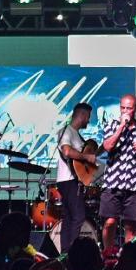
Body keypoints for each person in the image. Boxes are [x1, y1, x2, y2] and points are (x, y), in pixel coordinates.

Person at [98, 94, 136, 248]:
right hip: (112, 184)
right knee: (109, 222)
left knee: (131, 227)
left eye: (129, 108)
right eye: (123, 108)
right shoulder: (111, 125)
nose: (125, 111)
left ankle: (128, 256)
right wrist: (121, 127)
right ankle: (108, 255)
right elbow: (108, 146)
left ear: (135, 109)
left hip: (134, 185)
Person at [54, 102, 100, 255]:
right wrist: (86, 157)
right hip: (68, 181)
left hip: (73, 181)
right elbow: (67, 151)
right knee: (79, 216)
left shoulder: (76, 134)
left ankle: (65, 253)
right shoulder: (66, 131)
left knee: (69, 218)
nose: (89, 121)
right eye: (88, 117)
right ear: (82, 115)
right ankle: (72, 252)